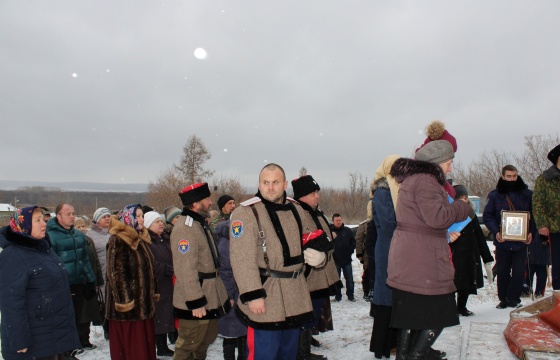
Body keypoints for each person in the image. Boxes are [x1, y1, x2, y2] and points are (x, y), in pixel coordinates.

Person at [229, 163, 323, 359]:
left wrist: (321, 256)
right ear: (259, 184)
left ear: (285, 184)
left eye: (275, 182)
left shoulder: (297, 209)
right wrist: (252, 294)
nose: (270, 187)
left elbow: (314, 239)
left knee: (288, 354)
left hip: (295, 295)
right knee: (264, 354)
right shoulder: (246, 212)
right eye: (265, 182)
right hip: (266, 296)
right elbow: (241, 258)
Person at [387, 140, 470, 360]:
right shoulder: (427, 181)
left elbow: (421, 221)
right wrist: (461, 207)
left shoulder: (413, 179)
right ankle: (416, 355)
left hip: (411, 256)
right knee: (440, 311)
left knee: (410, 315)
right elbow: (437, 217)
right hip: (423, 261)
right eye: (449, 163)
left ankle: (405, 356)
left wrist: (442, 234)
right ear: (437, 163)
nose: (450, 169)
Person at [0, 206, 82, 360]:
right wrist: (19, 340)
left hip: (51, 335)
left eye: (43, 219)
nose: (44, 223)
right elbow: (11, 302)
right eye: (37, 220)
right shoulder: (13, 255)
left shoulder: (44, 249)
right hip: (33, 342)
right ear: (22, 225)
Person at [171, 183, 230, 360]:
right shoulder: (185, 228)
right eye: (207, 199)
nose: (211, 202)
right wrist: (195, 301)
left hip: (209, 297)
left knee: (203, 343)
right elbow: (185, 269)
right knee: (188, 346)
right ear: (196, 203)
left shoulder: (198, 224)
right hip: (197, 301)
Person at [292, 174, 341, 360]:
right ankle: (301, 354)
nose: (317, 196)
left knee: (313, 313)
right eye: (314, 193)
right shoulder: (296, 213)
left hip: (322, 274)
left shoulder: (315, 211)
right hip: (309, 276)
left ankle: (304, 350)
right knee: (305, 315)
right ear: (303, 195)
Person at [105, 204, 159, 360]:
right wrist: (126, 303)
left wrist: (153, 293)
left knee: (145, 349)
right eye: (139, 215)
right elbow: (116, 274)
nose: (142, 218)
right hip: (128, 312)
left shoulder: (140, 238)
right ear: (129, 218)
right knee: (133, 350)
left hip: (143, 307)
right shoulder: (119, 239)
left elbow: (149, 269)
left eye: (142, 215)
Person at [46, 203, 97, 352]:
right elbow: (50, 264)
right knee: (63, 320)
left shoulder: (79, 235)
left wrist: (90, 280)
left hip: (78, 284)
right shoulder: (50, 236)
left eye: (73, 213)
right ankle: (64, 351)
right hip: (61, 286)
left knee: (77, 318)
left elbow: (85, 260)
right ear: (59, 216)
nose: (72, 216)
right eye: (68, 214)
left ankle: (72, 348)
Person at [483, 165, 534, 309]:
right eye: (509, 176)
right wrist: (496, 231)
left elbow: (534, 217)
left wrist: (531, 233)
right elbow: (488, 216)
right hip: (503, 241)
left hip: (521, 242)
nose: (512, 179)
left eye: (515, 176)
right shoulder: (495, 195)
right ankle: (503, 299)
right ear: (503, 176)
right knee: (503, 271)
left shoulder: (527, 194)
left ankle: (514, 298)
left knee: (519, 272)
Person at [369, 154, 400, 359]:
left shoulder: (397, 190)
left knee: (396, 297)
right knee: (387, 297)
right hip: (388, 249)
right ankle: (383, 345)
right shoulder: (383, 191)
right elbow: (389, 223)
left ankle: (393, 342)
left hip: (397, 248)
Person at [449, 185, 494, 317]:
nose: (464, 200)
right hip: (454, 255)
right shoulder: (448, 214)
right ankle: (450, 309)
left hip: (469, 255)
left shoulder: (470, 215)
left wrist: (487, 259)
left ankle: (461, 307)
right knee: (451, 284)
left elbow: (480, 237)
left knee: (466, 284)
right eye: (461, 198)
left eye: (465, 198)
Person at [215, 219, 248, 360]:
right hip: (233, 293)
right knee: (230, 333)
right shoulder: (226, 244)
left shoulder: (238, 241)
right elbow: (225, 273)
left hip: (241, 292)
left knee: (242, 331)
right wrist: (228, 296)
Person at [144, 211, 175, 357]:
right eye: (157, 222)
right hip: (157, 283)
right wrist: (169, 269)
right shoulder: (147, 241)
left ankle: (163, 345)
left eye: (161, 221)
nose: (161, 223)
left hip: (168, 282)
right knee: (160, 315)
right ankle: (160, 346)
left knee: (166, 314)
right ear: (148, 225)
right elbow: (150, 264)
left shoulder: (164, 238)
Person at [533, 144, 560, 291]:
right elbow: (537, 202)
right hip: (555, 227)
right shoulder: (545, 179)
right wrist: (542, 224)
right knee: (558, 264)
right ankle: (558, 295)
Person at [74, 217, 104, 350]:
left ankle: (86, 339)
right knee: (81, 315)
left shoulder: (89, 241)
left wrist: (98, 280)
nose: (81, 229)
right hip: (80, 283)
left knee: (89, 314)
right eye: (78, 226)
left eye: (82, 226)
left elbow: (96, 262)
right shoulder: (73, 241)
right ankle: (78, 341)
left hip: (91, 282)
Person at [86, 206, 112, 340]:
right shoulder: (90, 235)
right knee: (103, 302)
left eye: (108, 216)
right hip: (101, 273)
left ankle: (112, 328)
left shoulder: (112, 232)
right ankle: (106, 328)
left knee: (112, 302)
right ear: (97, 220)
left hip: (113, 274)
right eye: (104, 216)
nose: (107, 218)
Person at [330, 213, 356, 302]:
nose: (338, 222)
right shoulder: (330, 232)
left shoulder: (348, 231)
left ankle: (351, 295)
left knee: (349, 279)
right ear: (333, 221)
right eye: (336, 220)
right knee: (337, 280)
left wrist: (350, 250)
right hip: (335, 260)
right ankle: (338, 296)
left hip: (347, 260)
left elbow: (353, 242)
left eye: (339, 220)